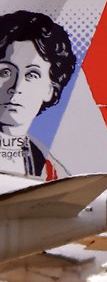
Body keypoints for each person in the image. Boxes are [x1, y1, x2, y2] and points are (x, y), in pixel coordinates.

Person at [0, 10, 75, 180]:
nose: (16, 87)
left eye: (32, 75)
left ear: (50, 89)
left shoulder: (48, 168)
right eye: (5, 72)